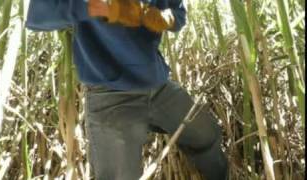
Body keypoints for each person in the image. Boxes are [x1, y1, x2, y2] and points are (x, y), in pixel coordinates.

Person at [26, 0, 228, 179]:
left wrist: (162, 18)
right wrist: (94, 7)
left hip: (157, 85)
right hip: (110, 94)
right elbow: (37, 17)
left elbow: (178, 15)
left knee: (205, 134)